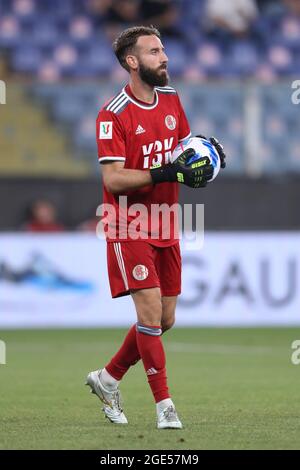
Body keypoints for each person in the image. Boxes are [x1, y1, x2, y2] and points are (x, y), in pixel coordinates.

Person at [86, 25, 226, 429]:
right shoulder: (112, 114)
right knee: (148, 314)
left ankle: (108, 378)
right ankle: (165, 407)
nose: (164, 57)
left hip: (166, 222)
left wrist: (204, 161)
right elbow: (113, 180)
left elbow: (184, 154)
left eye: (163, 49)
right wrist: (168, 170)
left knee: (164, 320)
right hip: (127, 223)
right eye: (153, 51)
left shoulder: (170, 98)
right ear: (132, 62)